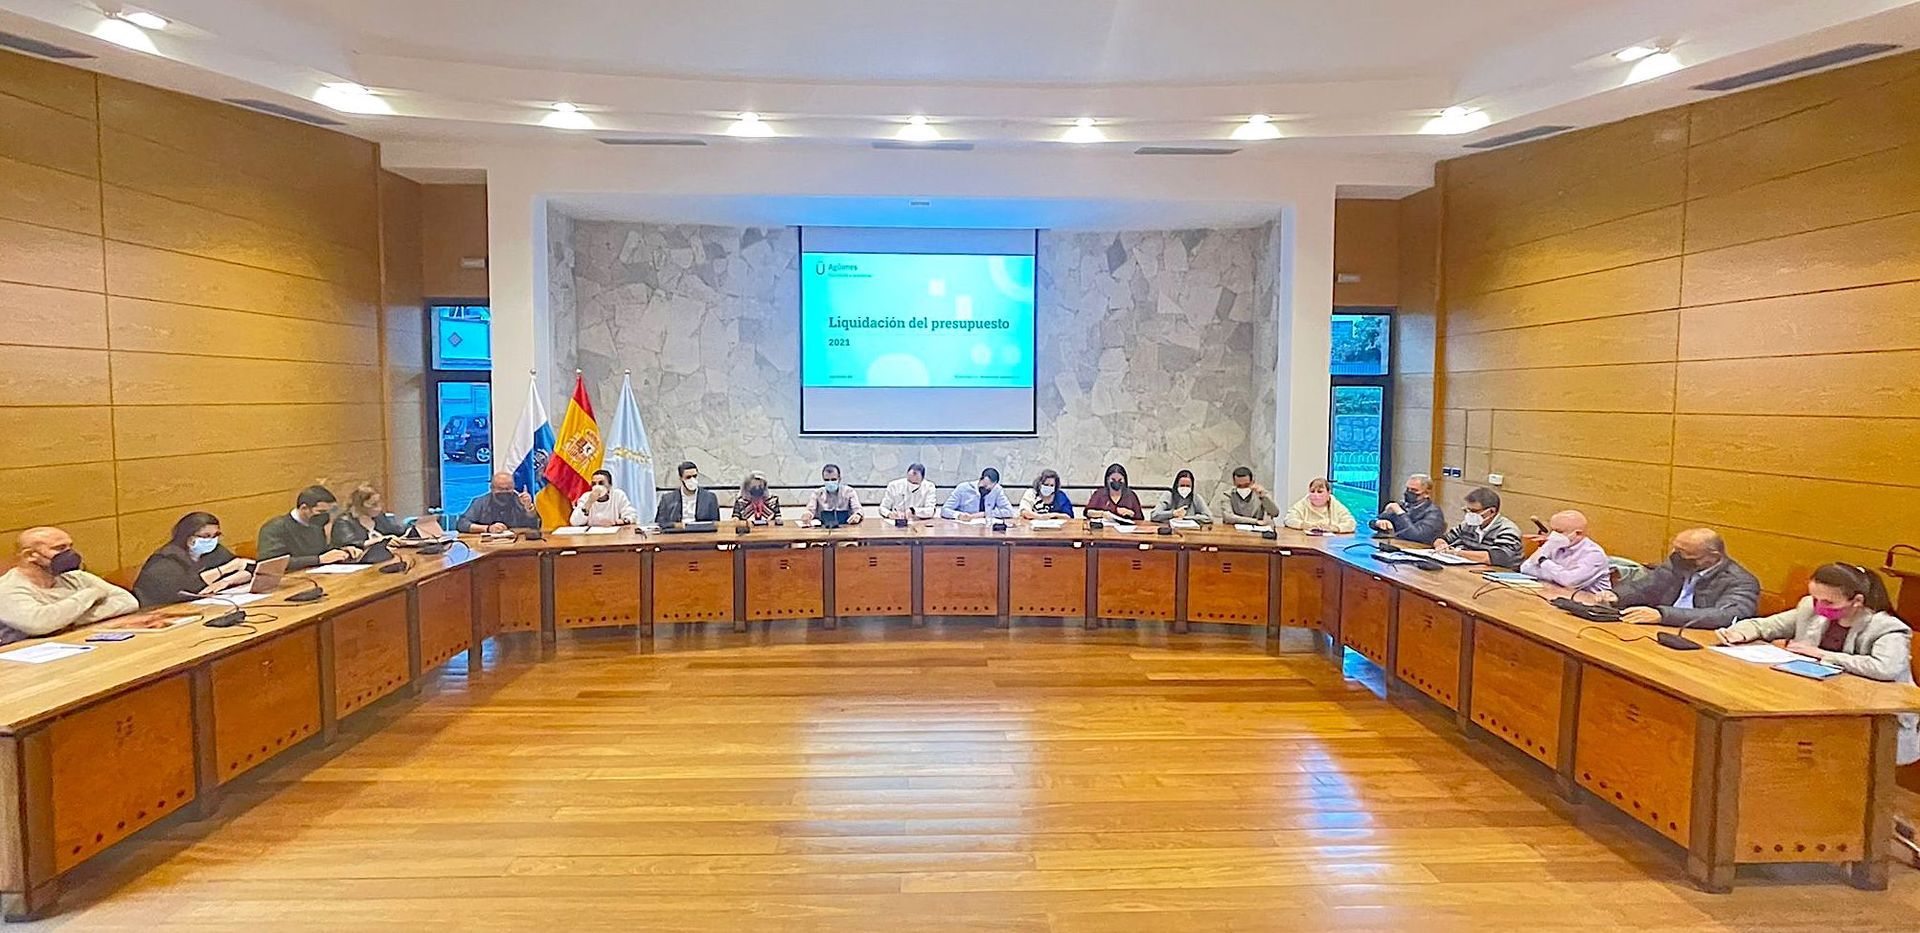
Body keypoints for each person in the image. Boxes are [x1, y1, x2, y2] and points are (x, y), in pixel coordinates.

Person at [1717, 563, 1916, 764]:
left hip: (1876, 717)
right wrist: (1740, 633)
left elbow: (1885, 668)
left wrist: (1822, 655)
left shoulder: (1887, 628)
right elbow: (1765, 625)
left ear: (1857, 601)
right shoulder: (1810, 609)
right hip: (1816, 701)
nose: (1820, 607)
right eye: (1815, 599)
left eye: (1829, 602)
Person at [1597, 527, 1760, 628]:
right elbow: (1647, 586)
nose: (1676, 556)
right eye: (1676, 549)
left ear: (1713, 557)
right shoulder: (1677, 563)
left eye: (1685, 553)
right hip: (1659, 630)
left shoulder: (1741, 581)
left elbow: (1726, 616)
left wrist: (1663, 615)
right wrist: (1617, 595)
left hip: (1697, 638)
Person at [0, 527, 138, 644]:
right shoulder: (7, 588)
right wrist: (91, 594)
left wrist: (63, 620)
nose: (70, 553)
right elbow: (39, 623)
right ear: (30, 555)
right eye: (60, 548)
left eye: (70, 547)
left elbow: (128, 602)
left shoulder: (76, 577)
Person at [133, 512, 253, 606]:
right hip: (156, 611)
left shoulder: (215, 551)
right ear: (189, 538)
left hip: (199, 607)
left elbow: (250, 570)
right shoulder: (165, 559)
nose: (212, 540)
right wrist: (226, 569)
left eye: (216, 535)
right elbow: (188, 589)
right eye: (206, 536)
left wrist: (226, 581)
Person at [259, 486, 360, 569]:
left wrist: (342, 551)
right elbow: (272, 562)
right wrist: (318, 560)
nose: (326, 516)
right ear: (304, 508)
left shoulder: (315, 525)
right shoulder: (274, 528)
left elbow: (321, 552)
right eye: (321, 511)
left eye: (329, 512)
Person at [1518, 510, 1611, 593]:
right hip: (1554, 594)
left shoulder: (1594, 554)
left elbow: (1570, 582)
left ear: (1578, 534)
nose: (1553, 535)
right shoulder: (1553, 543)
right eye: (1552, 530)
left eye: (1559, 531)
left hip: (1590, 602)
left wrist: (1543, 561)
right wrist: (1557, 576)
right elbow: (1525, 568)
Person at [1433, 486, 1523, 568]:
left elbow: (1493, 558)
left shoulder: (1507, 529)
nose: (1469, 514)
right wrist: (1441, 544)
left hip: (1501, 574)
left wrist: (1456, 552)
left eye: (1474, 511)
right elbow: (1444, 538)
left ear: (1492, 511)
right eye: (1467, 510)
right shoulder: (1468, 524)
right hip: (1471, 569)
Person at [459, 472, 542, 535]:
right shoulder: (480, 502)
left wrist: (529, 508)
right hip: (487, 546)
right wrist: (488, 528)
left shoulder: (521, 501)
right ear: (492, 488)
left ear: (513, 487)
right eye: (500, 489)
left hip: (517, 545)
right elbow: (462, 524)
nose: (504, 492)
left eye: (508, 488)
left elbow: (535, 525)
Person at [1371, 473, 1445, 542]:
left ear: (1426, 494)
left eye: (1414, 490)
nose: (1409, 492)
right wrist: (1379, 522)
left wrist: (1400, 513)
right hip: (1395, 545)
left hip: (1418, 548)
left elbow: (1414, 535)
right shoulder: (1404, 505)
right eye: (1407, 489)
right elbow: (1373, 522)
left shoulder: (1434, 513)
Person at [332, 484, 407, 549]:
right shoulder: (343, 522)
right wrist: (382, 540)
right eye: (373, 505)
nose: (379, 508)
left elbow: (396, 531)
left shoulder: (379, 517)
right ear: (359, 505)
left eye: (379, 503)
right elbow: (351, 544)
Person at [654, 460, 721, 526]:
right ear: (681, 478)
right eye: (688, 477)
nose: (692, 480)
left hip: (701, 531)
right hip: (677, 532)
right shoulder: (667, 499)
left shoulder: (710, 498)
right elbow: (660, 523)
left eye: (694, 476)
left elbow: (715, 524)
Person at [1282, 478, 1356, 533]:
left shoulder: (1335, 505)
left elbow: (1351, 523)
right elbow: (1288, 519)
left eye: (1320, 492)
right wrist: (1304, 525)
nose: (1315, 495)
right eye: (1312, 491)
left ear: (1328, 493)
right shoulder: (1303, 503)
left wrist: (1334, 528)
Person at [941, 468, 1016, 520]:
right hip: (964, 527)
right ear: (980, 479)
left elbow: (1009, 512)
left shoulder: (997, 490)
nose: (987, 489)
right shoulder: (963, 488)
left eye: (990, 489)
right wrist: (958, 515)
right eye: (985, 486)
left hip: (986, 527)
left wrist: (985, 514)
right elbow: (945, 510)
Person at [570, 469, 638, 526]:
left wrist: (617, 522)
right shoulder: (586, 497)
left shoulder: (618, 495)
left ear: (610, 486)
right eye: (594, 484)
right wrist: (588, 503)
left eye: (601, 483)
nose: (597, 487)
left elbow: (632, 515)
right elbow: (574, 522)